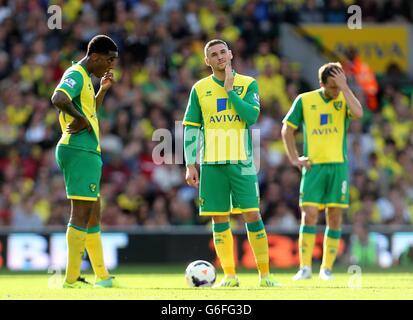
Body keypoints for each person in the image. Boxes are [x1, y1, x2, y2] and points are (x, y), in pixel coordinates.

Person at [183, 39, 278, 287]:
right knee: (219, 218)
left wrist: (229, 90)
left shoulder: (248, 83)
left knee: (252, 214)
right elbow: (191, 128)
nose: (219, 57)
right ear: (207, 61)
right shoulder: (199, 88)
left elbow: (251, 116)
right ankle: (230, 276)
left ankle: (265, 276)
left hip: (242, 161)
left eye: (222, 52)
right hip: (211, 162)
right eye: (213, 54)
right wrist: (190, 164)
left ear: (231, 54)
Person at [281, 62, 363, 280]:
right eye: (333, 87)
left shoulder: (344, 97)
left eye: (339, 86)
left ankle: (326, 269)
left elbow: (359, 113)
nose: (336, 91)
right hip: (313, 166)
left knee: (334, 217)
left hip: (338, 166)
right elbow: (287, 129)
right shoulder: (305, 100)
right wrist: (293, 158)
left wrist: (345, 88)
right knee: (309, 215)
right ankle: (305, 268)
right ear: (321, 84)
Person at [51, 35, 119, 288]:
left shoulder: (88, 81)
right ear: (95, 57)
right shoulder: (76, 73)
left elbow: (90, 113)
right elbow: (58, 98)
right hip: (78, 149)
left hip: (88, 150)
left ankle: (102, 277)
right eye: (109, 60)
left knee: (92, 213)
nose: (111, 65)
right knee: (81, 213)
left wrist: (102, 90)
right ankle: (70, 279)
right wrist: (78, 119)